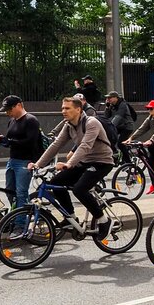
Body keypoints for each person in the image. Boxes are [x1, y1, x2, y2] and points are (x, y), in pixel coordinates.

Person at [30, 97, 116, 239]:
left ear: (78, 109)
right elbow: (56, 145)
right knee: (55, 182)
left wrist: (69, 164)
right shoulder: (68, 125)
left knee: (79, 189)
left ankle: (103, 221)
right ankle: (71, 218)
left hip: (102, 162)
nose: (63, 111)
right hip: (84, 162)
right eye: (63, 108)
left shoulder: (91, 122)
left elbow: (85, 146)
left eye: (67, 108)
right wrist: (38, 164)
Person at [0, 95, 43, 215]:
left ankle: (20, 224)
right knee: (10, 191)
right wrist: (2, 141)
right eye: (6, 110)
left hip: (25, 161)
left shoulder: (31, 120)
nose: (7, 112)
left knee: (21, 193)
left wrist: (9, 141)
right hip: (12, 160)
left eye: (9, 109)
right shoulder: (12, 121)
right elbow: (12, 141)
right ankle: (14, 217)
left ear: (19, 105)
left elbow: (30, 142)